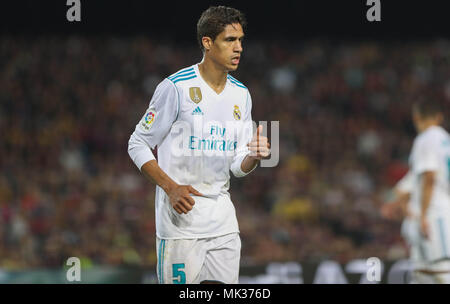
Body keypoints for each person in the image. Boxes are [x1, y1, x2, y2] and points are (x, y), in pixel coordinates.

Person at [128, 6, 270, 284]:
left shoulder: (241, 94)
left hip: (223, 221)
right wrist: (170, 187)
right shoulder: (176, 88)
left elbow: (237, 166)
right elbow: (138, 143)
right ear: (207, 42)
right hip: (181, 223)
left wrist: (253, 156)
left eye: (241, 40)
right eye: (230, 40)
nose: (239, 48)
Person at [405, 100, 450, 283]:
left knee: (442, 270)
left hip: (434, 212)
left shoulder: (426, 139)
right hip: (439, 208)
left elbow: (429, 177)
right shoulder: (445, 139)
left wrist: (423, 214)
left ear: (416, 117)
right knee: (422, 274)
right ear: (439, 117)